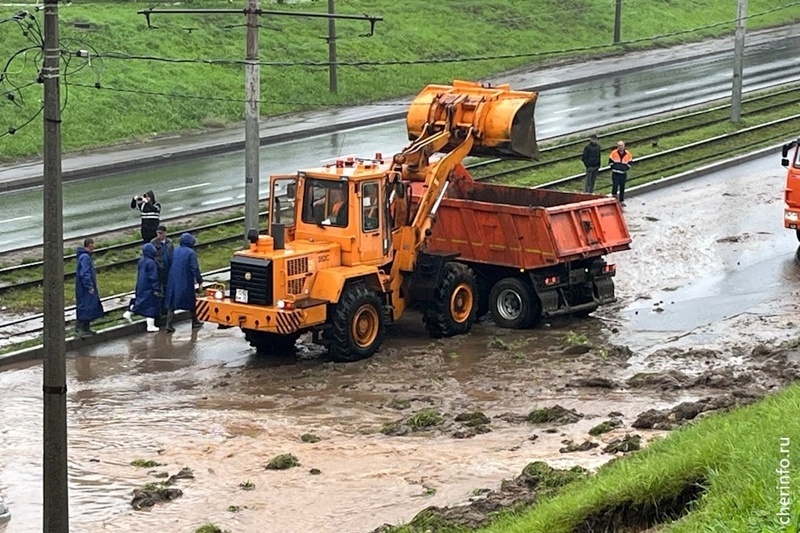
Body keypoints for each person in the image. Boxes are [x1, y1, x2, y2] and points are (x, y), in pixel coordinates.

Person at [164, 233, 204, 332]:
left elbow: (169, 263)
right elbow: (194, 268)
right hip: (185, 279)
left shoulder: (175, 251)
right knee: (190, 300)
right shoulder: (191, 253)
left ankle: (168, 324)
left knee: (172, 302)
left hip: (173, 280)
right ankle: (195, 321)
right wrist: (200, 280)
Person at [123, 243, 161, 332]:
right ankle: (150, 326)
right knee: (151, 305)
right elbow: (153, 276)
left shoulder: (141, 260)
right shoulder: (151, 263)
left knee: (140, 301)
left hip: (141, 285)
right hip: (149, 287)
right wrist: (156, 288)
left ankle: (129, 313)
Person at [75, 237, 104, 338]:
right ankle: (81, 329)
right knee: (86, 306)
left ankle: (86, 328)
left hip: (84, 287)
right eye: (93, 244)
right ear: (89, 245)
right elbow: (85, 273)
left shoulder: (84, 256)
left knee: (88, 307)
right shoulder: (85, 257)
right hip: (85, 288)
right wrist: (89, 286)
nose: (94, 246)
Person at [149, 225, 174, 322]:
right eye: (158, 233)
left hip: (168, 269)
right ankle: (161, 310)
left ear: (165, 233)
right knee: (160, 290)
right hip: (159, 270)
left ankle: (167, 307)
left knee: (168, 288)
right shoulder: (153, 243)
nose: (159, 235)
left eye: (161, 233)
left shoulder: (169, 242)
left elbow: (171, 254)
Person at [608, 141, 633, 206]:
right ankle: (614, 200)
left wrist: (625, 168)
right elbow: (610, 162)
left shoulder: (628, 154)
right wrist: (614, 167)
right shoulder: (613, 153)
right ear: (617, 146)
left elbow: (630, 163)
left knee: (622, 187)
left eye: (621, 146)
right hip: (615, 173)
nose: (620, 147)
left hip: (623, 173)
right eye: (619, 146)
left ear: (624, 146)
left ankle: (621, 200)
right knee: (615, 186)